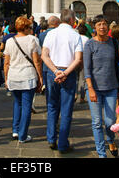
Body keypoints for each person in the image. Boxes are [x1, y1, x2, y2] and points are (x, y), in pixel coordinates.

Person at [41, 8, 83, 153]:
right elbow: (78, 59)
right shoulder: (75, 35)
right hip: (68, 73)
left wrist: (55, 71)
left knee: (52, 106)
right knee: (66, 110)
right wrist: (64, 73)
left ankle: (51, 139)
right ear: (72, 20)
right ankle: (63, 144)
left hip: (52, 73)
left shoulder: (51, 33)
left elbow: (44, 55)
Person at [83, 14, 119, 158]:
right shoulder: (89, 44)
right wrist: (90, 88)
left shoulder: (113, 42)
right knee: (97, 122)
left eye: (104, 24)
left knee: (110, 121)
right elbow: (87, 69)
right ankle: (101, 153)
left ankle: (111, 140)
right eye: (99, 24)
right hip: (94, 88)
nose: (102, 27)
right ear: (94, 27)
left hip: (111, 86)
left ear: (108, 26)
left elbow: (117, 64)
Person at [4, 16, 43, 143]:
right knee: (27, 106)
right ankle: (23, 135)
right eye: (30, 27)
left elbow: (6, 63)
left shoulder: (10, 41)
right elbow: (37, 61)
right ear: (25, 28)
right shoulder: (33, 40)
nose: (31, 29)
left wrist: (5, 78)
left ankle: (15, 130)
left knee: (17, 103)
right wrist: (40, 77)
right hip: (28, 75)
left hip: (13, 76)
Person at [39, 16, 60, 105]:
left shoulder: (42, 35)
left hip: (46, 64)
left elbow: (41, 49)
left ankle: (50, 104)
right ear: (56, 23)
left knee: (49, 89)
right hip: (58, 63)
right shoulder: (59, 33)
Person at [76, 22, 89, 103]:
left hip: (75, 60)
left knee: (76, 79)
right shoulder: (87, 39)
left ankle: (75, 94)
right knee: (83, 79)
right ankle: (82, 97)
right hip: (83, 60)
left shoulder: (76, 38)